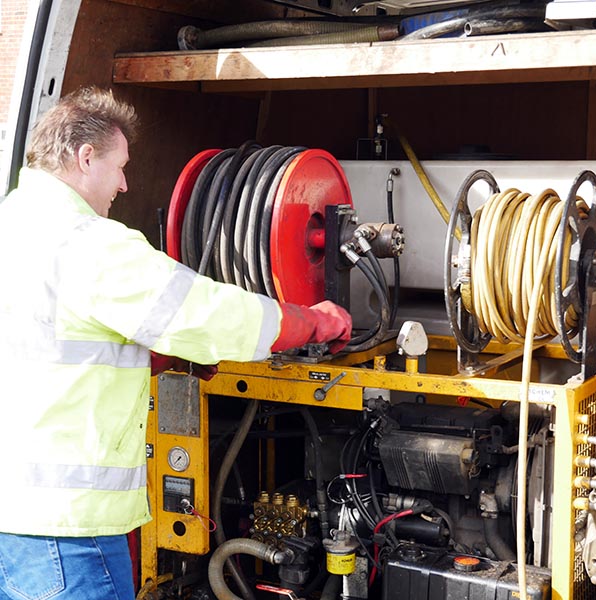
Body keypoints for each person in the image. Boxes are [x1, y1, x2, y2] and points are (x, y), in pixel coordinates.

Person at [0, 86, 352, 600]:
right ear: (85, 156)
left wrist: (159, 352)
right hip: (68, 532)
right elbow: (207, 314)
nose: (124, 184)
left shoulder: (12, 226)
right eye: (120, 166)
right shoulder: (88, 243)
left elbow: (55, 339)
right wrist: (309, 321)